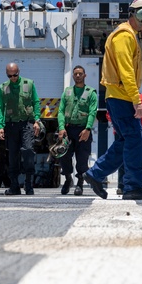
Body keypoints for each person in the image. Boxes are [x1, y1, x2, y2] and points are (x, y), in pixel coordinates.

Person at [83, 0, 142, 200]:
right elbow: (126, 71)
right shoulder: (124, 36)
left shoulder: (128, 35)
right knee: (134, 141)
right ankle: (132, 187)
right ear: (141, 14)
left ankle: (95, 174)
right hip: (122, 98)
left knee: (124, 141)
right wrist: (137, 100)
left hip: (119, 97)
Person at [0, 63, 42, 195]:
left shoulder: (29, 84)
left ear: (19, 72)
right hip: (11, 125)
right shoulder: (3, 87)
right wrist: (0, 126)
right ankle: (14, 185)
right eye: (10, 76)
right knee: (12, 156)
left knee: (28, 150)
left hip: (27, 124)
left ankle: (28, 183)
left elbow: (36, 102)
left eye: (15, 75)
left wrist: (37, 120)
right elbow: (0, 107)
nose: (13, 78)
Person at [58, 65, 98, 195]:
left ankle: (80, 183)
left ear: (85, 76)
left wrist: (87, 129)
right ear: (73, 76)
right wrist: (61, 127)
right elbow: (61, 111)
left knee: (82, 158)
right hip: (68, 130)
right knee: (64, 156)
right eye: (76, 74)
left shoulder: (91, 93)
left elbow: (92, 112)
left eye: (80, 73)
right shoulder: (67, 92)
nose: (78, 76)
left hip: (83, 131)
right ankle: (68, 179)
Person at [114, 93, 142, 193]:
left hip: (136, 130)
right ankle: (121, 185)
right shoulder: (119, 96)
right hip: (120, 131)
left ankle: (135, 185)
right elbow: (110, 113)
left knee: (135, 158)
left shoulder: (141, 97)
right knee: (122, 159)